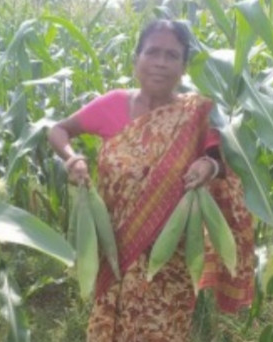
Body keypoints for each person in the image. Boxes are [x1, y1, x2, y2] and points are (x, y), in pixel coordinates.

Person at [48, 19, 254, 342]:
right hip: (114, 249)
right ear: (136, 59)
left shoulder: (196, 113)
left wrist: (207, 168)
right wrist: (71, 158)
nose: (160, 62)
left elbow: (219, 159)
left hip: (170, 259)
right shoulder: (112, 104)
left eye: (172, 55)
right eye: (152, 52)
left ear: (184, 66)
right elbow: (58, 130)